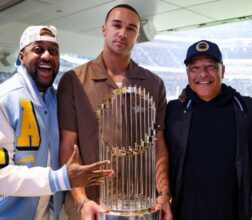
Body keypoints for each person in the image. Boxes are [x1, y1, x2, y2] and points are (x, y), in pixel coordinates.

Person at [57, 4, 172, 220]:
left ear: (137, 35)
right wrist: (81, 201)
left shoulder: (154, 84)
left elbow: (158, 144)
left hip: (138, 209)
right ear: (104, 29)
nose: (122, 33)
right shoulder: (74, 80)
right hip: (91, 209)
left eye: (131, 29)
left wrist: (164, 193)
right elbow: (68, 147)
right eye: (117, 25)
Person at [0, 25, 114, 220]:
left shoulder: (55, 99)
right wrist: (60, 178)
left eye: (53, 51)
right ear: (21, 57)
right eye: (37, 49)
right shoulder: (5, 98)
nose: (47, 56)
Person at [165, 40, 252, 220]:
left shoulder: (248, 109)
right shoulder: (174, 110)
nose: (203, 74)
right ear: (187, 73)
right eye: (195, 68)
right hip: (186, 213)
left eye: (210, 67)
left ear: (222, 70)